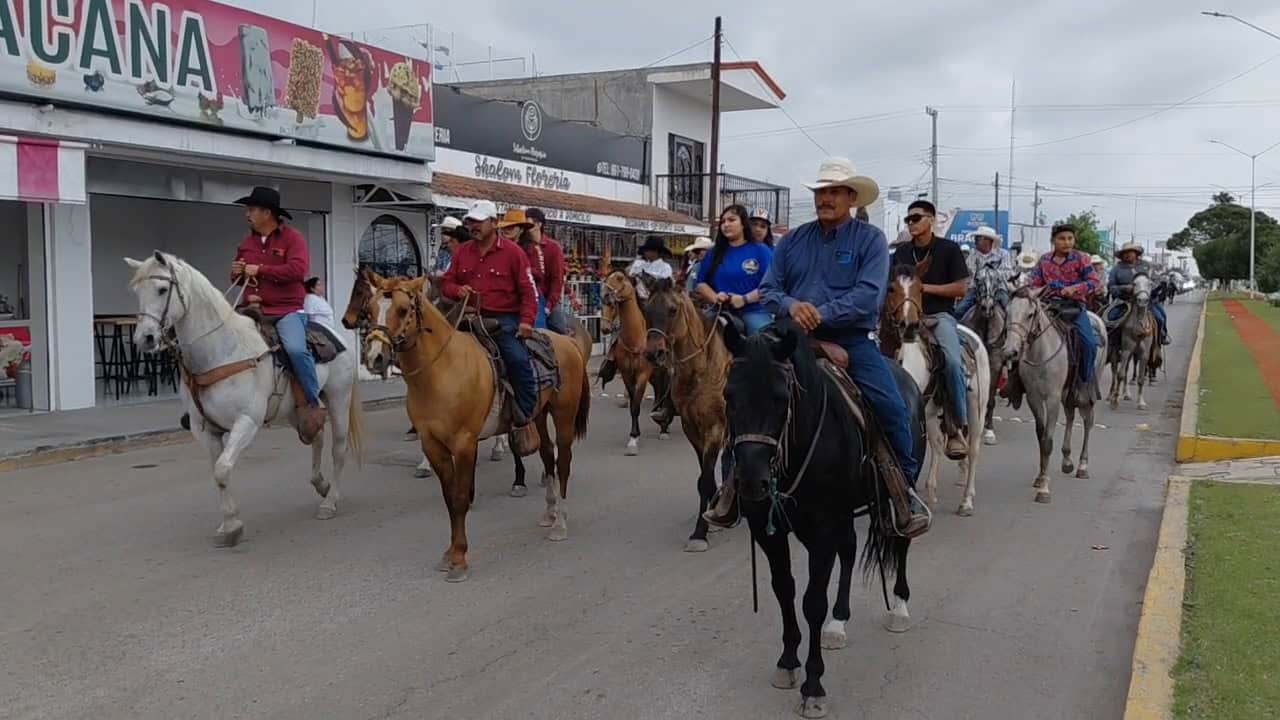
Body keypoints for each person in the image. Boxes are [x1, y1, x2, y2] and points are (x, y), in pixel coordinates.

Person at [753, 155, 930, 537]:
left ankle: (903, 490)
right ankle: (736, 484)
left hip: (850, 338)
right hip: (787, 334)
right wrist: (791, 306)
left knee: (892, 406)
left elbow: (867, 296)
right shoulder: (793, 240)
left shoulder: (871, 240)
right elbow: (768, 289)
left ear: (852, 197)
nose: (825, 198)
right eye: (821, 191)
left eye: (834, 192)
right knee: (742, 390)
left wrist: (819, 313)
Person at [230, 186, 326, 444]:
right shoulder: (247, 242)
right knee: (224, 342)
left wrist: (259, 269)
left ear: (267, 213)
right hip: (253, 309)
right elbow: (236, 278)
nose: (247, 214)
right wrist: (239, 271)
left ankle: (311, 401)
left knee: (295, 350)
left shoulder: (293, 239)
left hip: (286, 310)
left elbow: (297, 271)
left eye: (251, 209)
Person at [440, 200, 539, 439]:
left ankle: (525, 418)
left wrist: (526, 322)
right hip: (467, 318)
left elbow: (529, 292)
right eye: (470, 222)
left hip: (503, 321)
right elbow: (447, 283)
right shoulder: (463, 251)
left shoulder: (513, 253)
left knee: (518, 361)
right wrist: (457, 290)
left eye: (478, 222)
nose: (473, 226)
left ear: (494, 223)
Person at [891, 200, 972, 459]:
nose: (911, 223)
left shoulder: (949, 249)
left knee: (950, 360)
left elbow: (961, 289)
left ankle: (956, 425)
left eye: (917, 218)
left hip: (939, 316)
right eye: (908, 220)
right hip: (902, 318)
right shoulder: (901, 253)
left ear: (932, 220)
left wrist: (924, 288)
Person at [1026, 224, 1102, 397]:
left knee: (1089, 343)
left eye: (1070, 238)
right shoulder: (1044, 260)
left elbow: (1094, 282)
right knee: (1022, 335)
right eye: (1062, 239)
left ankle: (1085, 382)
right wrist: (1031, 291)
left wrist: (1075, 288)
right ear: (1054, 241)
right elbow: (1034, 283)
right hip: (1047, 306)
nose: (1067, 242)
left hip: (1074, 307)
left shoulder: (1081, 258)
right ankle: (1017, 380)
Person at [694, 205, 774, 335]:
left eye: (731, 220)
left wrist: (744, 299)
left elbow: (772, 284)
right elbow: (701, 283)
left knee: (764, 343)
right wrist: (716, 298)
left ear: (743, 224)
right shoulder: (712, 253)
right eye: (723, 221)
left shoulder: (761, 250)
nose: (726, 224)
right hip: (719, 311)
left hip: (754, 311)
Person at [1109, 242, 1169, 345]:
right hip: (1124, 302)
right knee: (1110, 319)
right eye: (1125, 253)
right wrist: (1125, 288)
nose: (1128, 254)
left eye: (1130, 252)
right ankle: (1112, 344)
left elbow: (1155, 281)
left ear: (1136, 253)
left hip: (1147, 302)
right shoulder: (1116, 269)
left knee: (1160, 318)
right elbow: (1111, 287)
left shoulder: (1146, 266)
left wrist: (1149, 289)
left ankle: (1160, 339)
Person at [953, 225, 1012, 320]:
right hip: (976, 289)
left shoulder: (1003, 254)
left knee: (1009, 311)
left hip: (998, 289)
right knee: (959, 310)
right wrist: (983, 275)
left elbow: (1007, 272)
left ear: (988, 240)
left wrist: (991, 275)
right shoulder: (973, 254)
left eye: (978, 238)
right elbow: (970, 272)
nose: (975, 241)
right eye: (976, 238)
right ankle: (956, 331)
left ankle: (1010, 333)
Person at [525, 208, 569, 334]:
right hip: (528, 296)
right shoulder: (523, 246)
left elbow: (557, 279)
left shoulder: (553, 247)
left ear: (539, 224)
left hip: (547, 298)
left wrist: (549, 305)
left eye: (528, 222)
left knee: (560, 329)